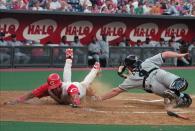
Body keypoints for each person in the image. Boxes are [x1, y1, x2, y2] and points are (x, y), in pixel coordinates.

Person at [4, 48, 101, 108]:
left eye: (56, 87)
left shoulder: (68, 88)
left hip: (78, 88)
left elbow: (75, 94)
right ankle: (68, 58)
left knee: (85, 84)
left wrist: (76, 101)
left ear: (59, 84)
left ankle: (95, 68)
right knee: (67, 79)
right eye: (53, 88)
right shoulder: (48, 87)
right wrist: (18, 100)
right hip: (68, 87)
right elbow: (32, 94)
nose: (55, 89)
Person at [96, 51, 192, 108]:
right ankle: (174, 91)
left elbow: (115, 91)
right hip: (160, 74)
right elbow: (166, 54)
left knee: (167, 95)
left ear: (129, 67)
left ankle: (173, 96)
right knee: (182, 83)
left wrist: (100, 99)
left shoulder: (132, 79)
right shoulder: (148, 61)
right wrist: (179, 55)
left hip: (154, 86)